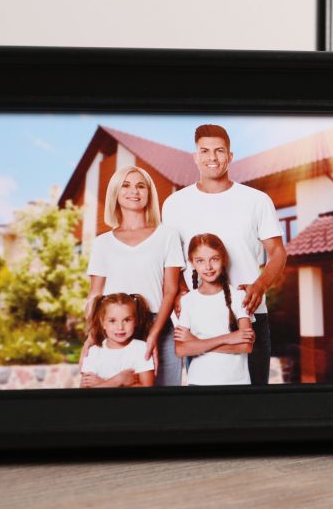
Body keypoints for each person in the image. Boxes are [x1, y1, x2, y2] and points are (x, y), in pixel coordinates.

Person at [162, 124, 286, 386]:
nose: (212, 157)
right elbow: (170, 259)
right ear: (195, 157)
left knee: (254, 401)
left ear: (230, 156)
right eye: (205, 151)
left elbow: (277, 252)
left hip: (249, 313)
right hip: (200, 318)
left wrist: (261, 285)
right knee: (205, 401)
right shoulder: (174, 204)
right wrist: (182, 291)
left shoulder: (256, 200)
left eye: (219, 151)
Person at [85, 165, 185, 387]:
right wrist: (92, 334)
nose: (134, 191)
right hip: (115, 328)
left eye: (141, 186)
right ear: (115, 193)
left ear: (149, 193)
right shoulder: (102, 243)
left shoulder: (167, 236)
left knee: (167, 398)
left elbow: (171, 290)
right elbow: (95, 294)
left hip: (158, 324)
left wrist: (153, 335)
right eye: (126, 185)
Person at [173, 234, 255, 386]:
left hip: (237, 383)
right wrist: (227, 338)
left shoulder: (239, 296)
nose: (208, 267)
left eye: (214, 259)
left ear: (224, 259)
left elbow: (246, 346)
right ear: (192, 263)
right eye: (200, 261)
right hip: (199, 382)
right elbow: (181, 350)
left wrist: (196, 343)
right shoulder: (188, 301)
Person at [79, 292, 155, 388]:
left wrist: (102, 384)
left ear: (135, 321)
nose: (120, 327)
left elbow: (147, 389)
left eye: (127, 320)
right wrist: (119, 380)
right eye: (112, 321)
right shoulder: (93, 352)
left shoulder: (141, 348)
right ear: (102, 322)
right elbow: (85, 393)